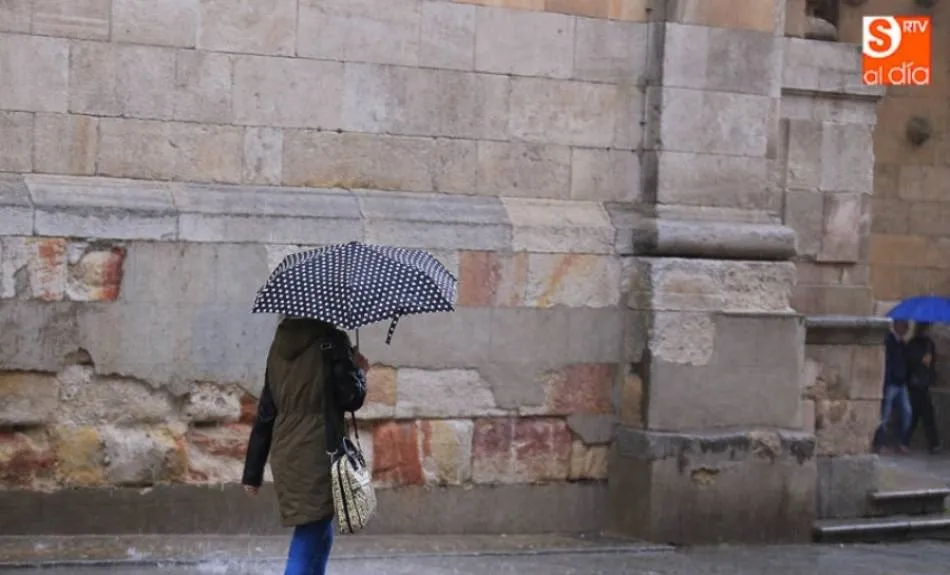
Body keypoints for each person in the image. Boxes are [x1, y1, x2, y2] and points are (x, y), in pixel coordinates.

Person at [242, 317, 369, 575]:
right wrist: (359, 372)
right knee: (310, 534)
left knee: (321, 532)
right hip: (319, 450)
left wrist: (252, 472)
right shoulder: (332, 341)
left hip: (286, 451)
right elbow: (351, 397)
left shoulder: (279, 346)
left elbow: (267, 409)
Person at [873, 319, 913, 454]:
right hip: (891, 383)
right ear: (897, 325)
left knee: (907, 413)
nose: (907, 327)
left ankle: (901, 441)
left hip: (901, 384)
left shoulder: (902, 343)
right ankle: (880, 443)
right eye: (905, 324)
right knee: (884, 415)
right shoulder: (889, 341)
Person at [905, 322, 941, 453]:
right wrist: (920, 360)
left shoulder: (929, 344)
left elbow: (932, 364)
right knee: (914, 414)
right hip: (914, 383)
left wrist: (931, 372)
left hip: (924, 383)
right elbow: (909, 361)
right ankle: (904, 441)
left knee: (927, 414)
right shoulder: (913, 344)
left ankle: (934, 443)